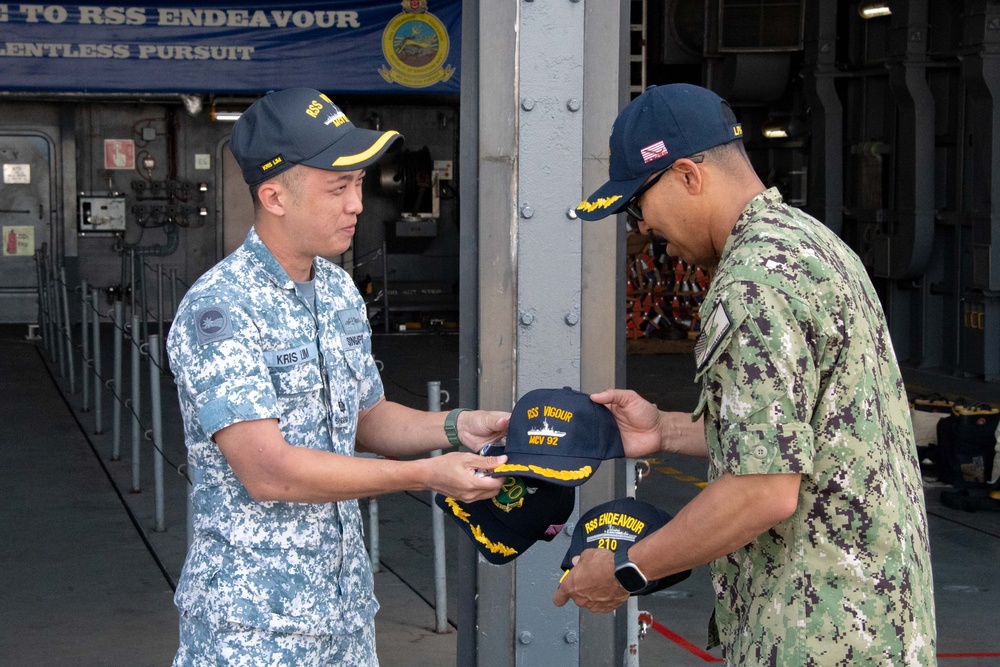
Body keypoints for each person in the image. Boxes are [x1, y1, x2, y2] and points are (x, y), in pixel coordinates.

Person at [554, 83, 937, 665]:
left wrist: (626, 570)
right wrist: (664, 429)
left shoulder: (752, 284)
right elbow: (802, 435)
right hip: (874, 625)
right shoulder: (813, 246)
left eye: (638, 205)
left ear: (688, 175)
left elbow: (762, 491)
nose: (643, 227)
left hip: (814, 638)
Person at [166, 88, 509, 666]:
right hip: (253, 630)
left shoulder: (337, 290)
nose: (357, 204)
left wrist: (456, 428)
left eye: (357, 184)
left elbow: (365, 415)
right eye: (337, 187)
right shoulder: (220, 312)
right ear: (274, 196)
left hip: (344, 614)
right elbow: (269, 472)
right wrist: (424, 475)